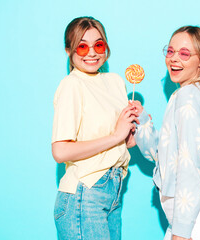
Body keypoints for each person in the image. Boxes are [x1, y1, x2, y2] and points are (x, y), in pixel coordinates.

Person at [132, 26, 200, 240]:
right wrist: (142, 122)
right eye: (170, 51)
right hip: (190, 218)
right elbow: (165, 155)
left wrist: (181, 233)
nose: (174, 59)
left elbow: (189, 165)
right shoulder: (190, 94)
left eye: (184, 54)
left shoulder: (188, 96)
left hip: (192, 220)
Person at [51, 16, 138, 240]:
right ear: (68, 50)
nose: (92, 53)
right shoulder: (72, 85)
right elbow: (60, 151)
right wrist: (116, 135)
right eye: (82, 46)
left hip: (114, 190)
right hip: (85, 193)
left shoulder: (116, 82)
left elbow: (123, 142)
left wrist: (132, 131)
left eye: (98, 45)